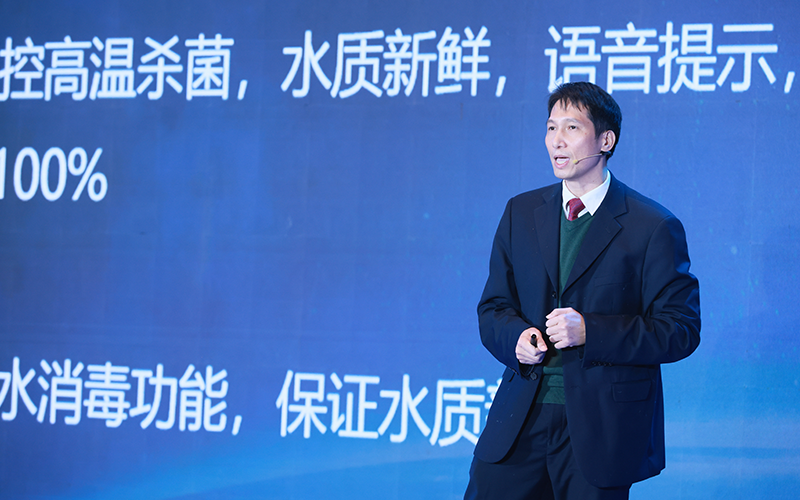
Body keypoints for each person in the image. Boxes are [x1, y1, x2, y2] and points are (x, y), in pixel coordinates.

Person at [464, 81, 701, 500]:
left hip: (601, 428)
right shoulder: (521, 212)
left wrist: (592, 331)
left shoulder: (651, 226)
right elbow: (494, 307)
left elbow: (680, 329)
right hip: (521, 416)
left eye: (571, 128)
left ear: (606, 140)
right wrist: (515, 338)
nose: (556, 140)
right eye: (551, 127)